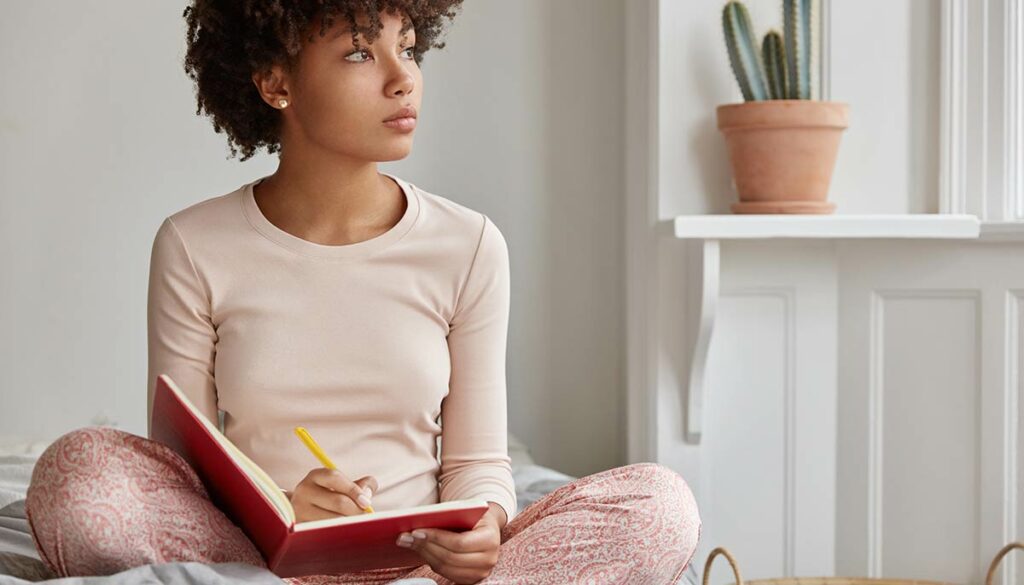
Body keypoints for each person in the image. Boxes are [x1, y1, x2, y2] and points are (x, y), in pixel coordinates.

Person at [24, 2, 701, 584]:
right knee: (77, 474)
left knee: (661, 505)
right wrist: (286, 506)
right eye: (358, 53)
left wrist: (485, 528)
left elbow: (475, 463)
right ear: (274, 80)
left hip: (421, 568)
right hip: (256, 560)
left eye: (407, 47)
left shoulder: (468, 245)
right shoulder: (192, 244)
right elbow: (186, 471)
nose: (403, 77)